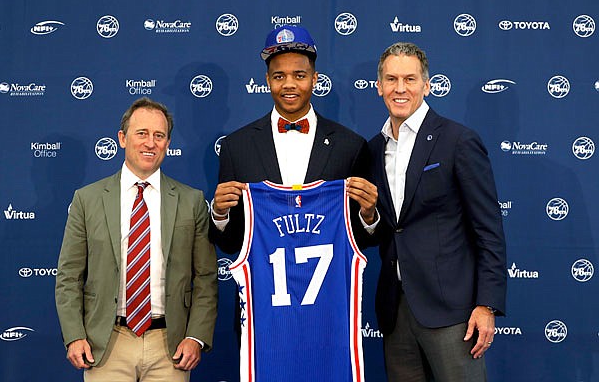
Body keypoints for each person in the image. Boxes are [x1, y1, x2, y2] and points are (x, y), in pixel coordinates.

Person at [209, 25, 378, 342]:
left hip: (329, 311)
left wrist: (369, 216)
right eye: (278, 76)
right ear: (267, 81)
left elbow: (362, 240)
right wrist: (219, 213)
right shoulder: (237, 146)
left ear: (315, 79)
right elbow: (231, 244)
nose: (289, 84)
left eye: (299, 75)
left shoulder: (349, 146)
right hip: (262, 311)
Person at [368, 42, 507, 381]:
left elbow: (488, 229)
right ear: (379, 87)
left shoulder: (457, 141)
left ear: (426, 85)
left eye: (410, 79)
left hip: (453, 312)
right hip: (395, 310)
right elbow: (384, 229)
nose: (400, 88)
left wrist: (486, 305)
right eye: (391, 79)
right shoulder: (373, 149)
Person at [55, 97, 218, 382]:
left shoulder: (191, 201)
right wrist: (74, 336)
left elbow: (205, 276)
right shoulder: (87, 199)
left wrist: (196, 337)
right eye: (141, 133)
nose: (150, 143)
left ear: (168, 143)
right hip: (105, 344)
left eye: (159, 135)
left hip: (170, 347)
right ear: (122, 138)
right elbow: (69, 276)